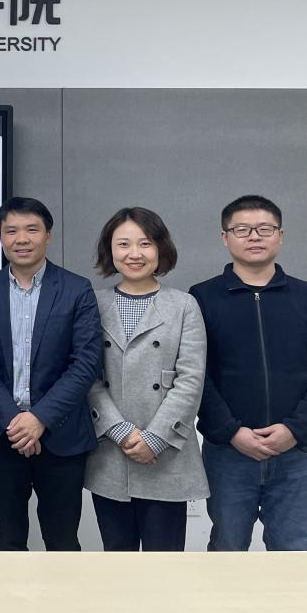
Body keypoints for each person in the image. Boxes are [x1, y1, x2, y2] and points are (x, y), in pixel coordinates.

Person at [191, 194, 307, 551]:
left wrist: (294, 430)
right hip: (228, 454)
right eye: (242, 229)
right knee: (227, 550)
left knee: (292, 554)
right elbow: (195, 375)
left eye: (264, 229)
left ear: (280, 235)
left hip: (294, 454)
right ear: (225, 237)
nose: (254, 237)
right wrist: (231, 432)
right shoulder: (201, 298)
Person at [0, 196, 102, 551]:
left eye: (32, 229)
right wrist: (14, 422)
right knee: (6, 540)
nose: (21, 239)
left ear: (48, 235)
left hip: (62, 436)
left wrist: (39, 418)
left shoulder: (77, 289)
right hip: (2, 436)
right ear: (1, 237)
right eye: (11, 231)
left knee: (62, 542)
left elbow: (86, 362)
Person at [84, 207, 208, 551]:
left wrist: (154, 439)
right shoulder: (92, 303)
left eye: (145, 243)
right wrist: (121, 431)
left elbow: (190, 380)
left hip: (166, 454)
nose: (134, 253)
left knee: (165, 566)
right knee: (117, 560)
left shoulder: (184, 305)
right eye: (123, 244)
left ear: (160, 248)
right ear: (110, 250)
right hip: (111, 452)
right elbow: (87, 375)